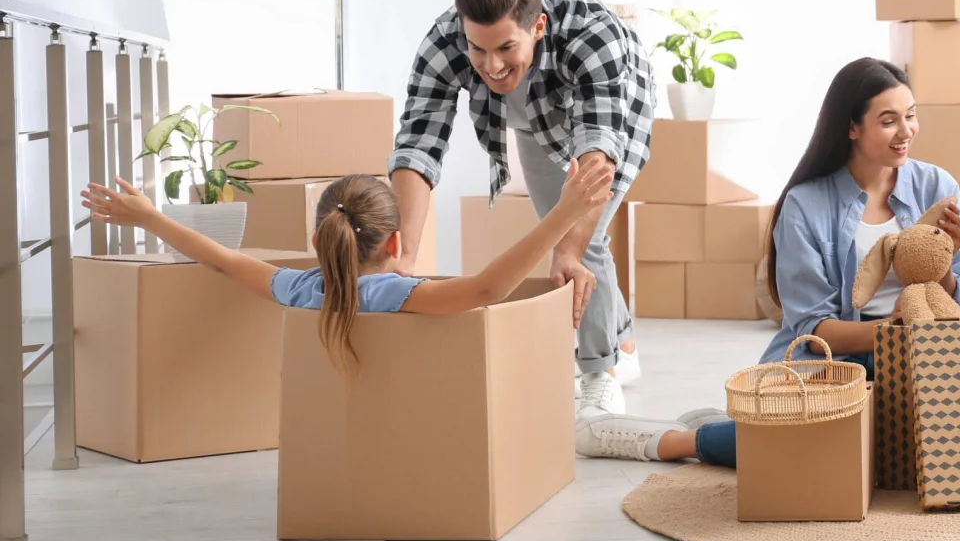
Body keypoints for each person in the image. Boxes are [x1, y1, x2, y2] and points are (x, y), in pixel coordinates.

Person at [571, 57, 960, 464]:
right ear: (852, 127)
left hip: (915, 355)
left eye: (910, 116)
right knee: (817, 448)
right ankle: (666, 441)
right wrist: (893, 332)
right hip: (830, 360)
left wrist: (944, 269)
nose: (906, 131)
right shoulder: (806, 203)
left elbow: (957, 301)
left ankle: (732, 426)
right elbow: (813, 327)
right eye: (889, 121)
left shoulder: (937, 186)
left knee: (927, 442)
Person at [388, 0, 655, 415]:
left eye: (506, 48)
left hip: (611, 112)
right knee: (561, 230)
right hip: (532, 118)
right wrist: (403, 258)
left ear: (538, 27)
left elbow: (597, 152)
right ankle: (623, 347)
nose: (491, 65)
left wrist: (567, 249)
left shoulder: (593, 34)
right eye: (478, 49)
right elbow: (418, 145)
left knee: (575, 244)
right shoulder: (444, 41)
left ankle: (599, 374)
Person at [78, 158, 613, 370]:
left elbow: (221, 260)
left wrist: (149, 218)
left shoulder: (302, 290)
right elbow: (489, 289)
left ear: (317, 239)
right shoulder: (393, 297)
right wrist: (565, 213)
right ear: (396, 243)